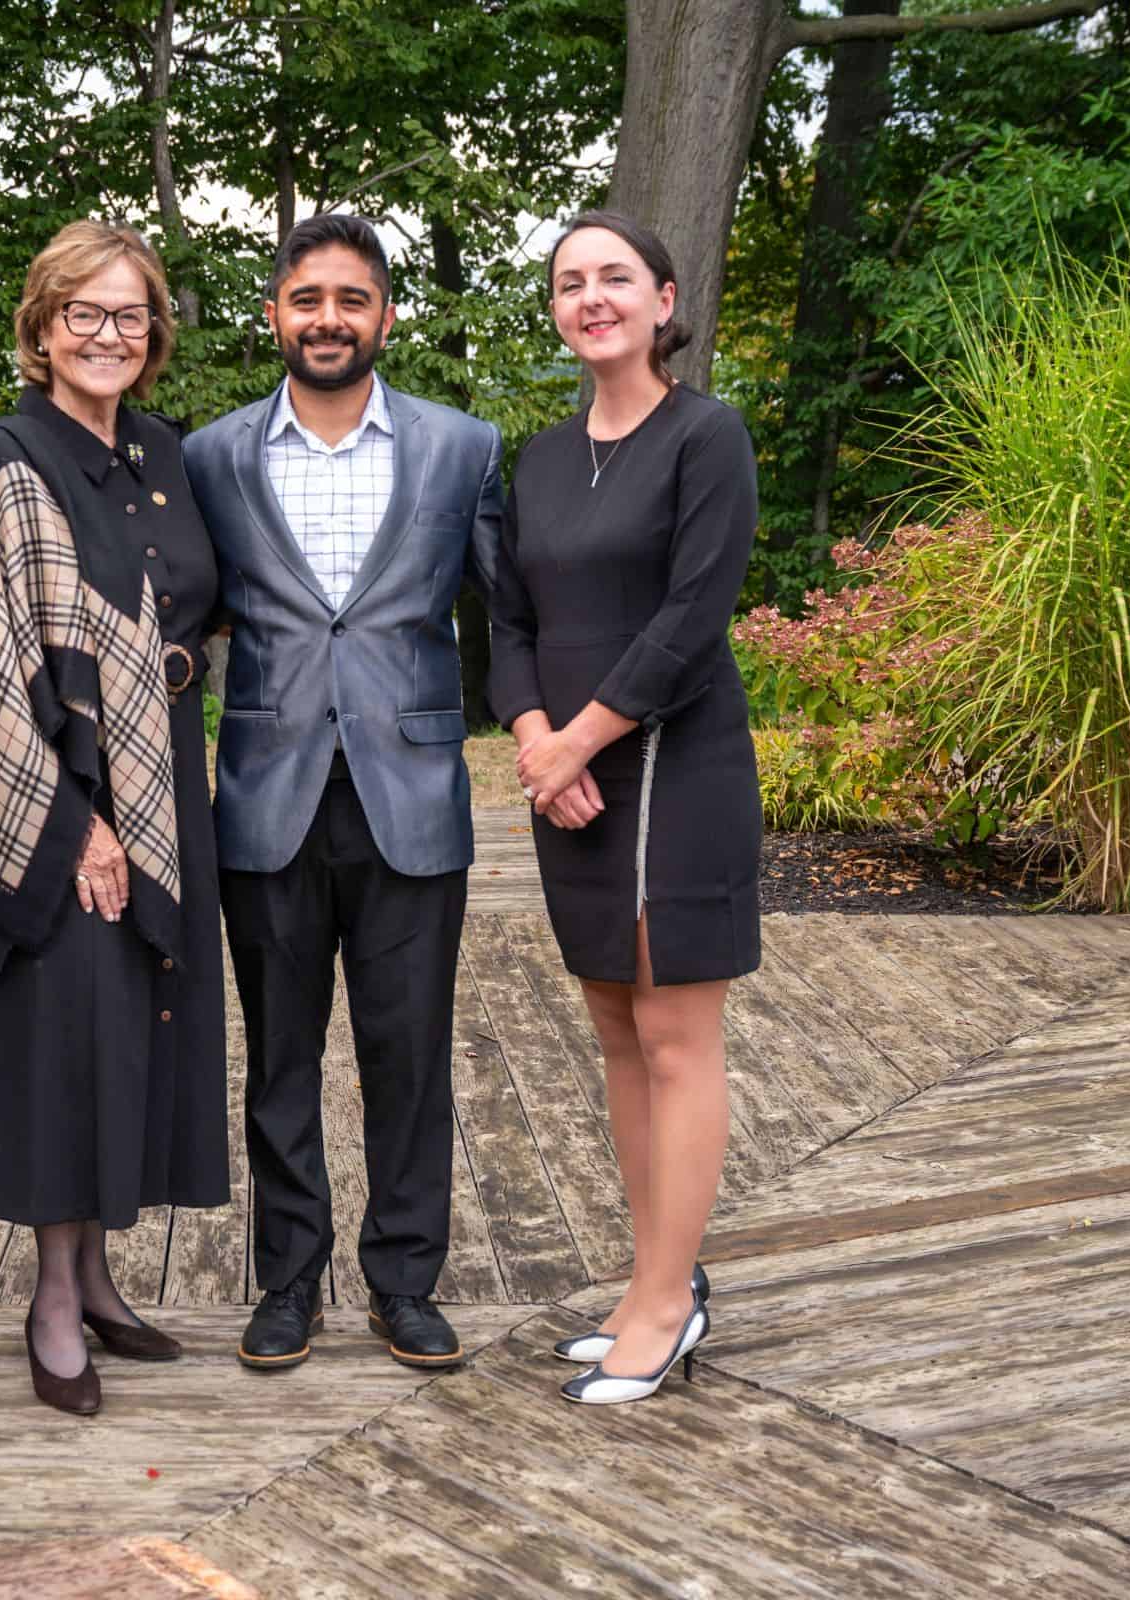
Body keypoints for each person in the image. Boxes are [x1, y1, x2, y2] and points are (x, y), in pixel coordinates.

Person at [0, 221, 228, 1416]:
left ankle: (98, 1271)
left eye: (129, 315)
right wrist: (81, 821)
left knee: (136, 1025)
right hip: (54, 806)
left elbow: (195, 609)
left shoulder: (164, 454)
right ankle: (48, 1291)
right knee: (62, 1033)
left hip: (166, 789)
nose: (107, 334)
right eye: (82, 314)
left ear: (154, 336)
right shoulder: (0, 460)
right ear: (40, 329)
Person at [184, 215, 502, 1374]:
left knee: (407, 1055)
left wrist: (550, 732)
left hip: (411, 795)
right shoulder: (209, 456)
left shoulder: (460, 448)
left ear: (384, 315)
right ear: (273, 313)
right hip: (264, 796)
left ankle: (405, 1281)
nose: (327, 318)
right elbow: (181, 609)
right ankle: (287, 1279)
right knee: (277, 1056)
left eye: (351, 298)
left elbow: (499, 615)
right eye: (305, 297)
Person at [487, 210, 761, 1405]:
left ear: (662, 300)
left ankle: (667, 1299)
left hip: (675, 767)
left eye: (613, 278)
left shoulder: (706, 437)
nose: (589, 297)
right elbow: (501, 621)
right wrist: (537, 737)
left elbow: (692, 615)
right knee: (611, 1031)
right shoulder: (534, 459)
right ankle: (650, 1279)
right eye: (567, 282)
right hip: (573, 782)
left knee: (672, 1036)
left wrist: (583, 735)